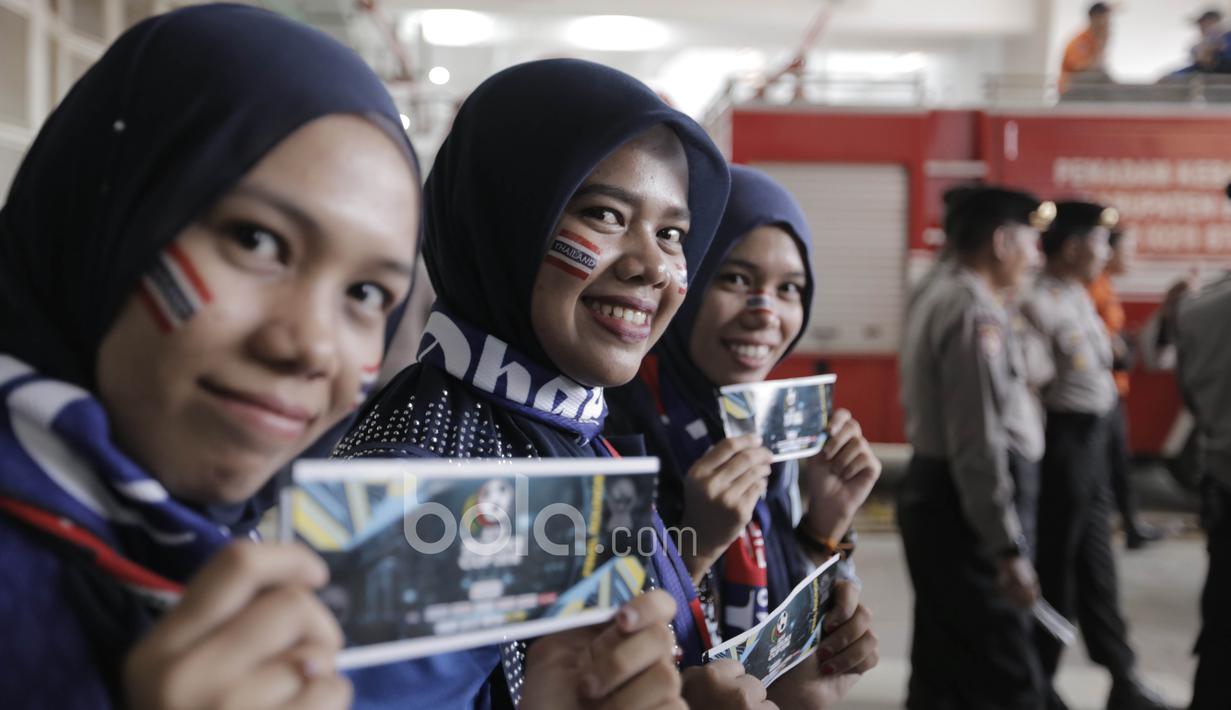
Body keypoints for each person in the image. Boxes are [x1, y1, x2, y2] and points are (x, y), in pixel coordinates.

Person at [0, 6, 424, 707]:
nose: (310, 347)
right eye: (257, 241)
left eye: (368, 292)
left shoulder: (268, 579)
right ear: (108, 211)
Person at [330, 58, 736, 709]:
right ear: (503, 220)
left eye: (670, 233)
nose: (651, 266)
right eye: (605, 214)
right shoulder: (419, 484)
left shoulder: (573, 430)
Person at [604, 165, 880, 708]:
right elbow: (588, 649)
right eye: (734, 279)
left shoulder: (770, 434)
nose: (765, 314)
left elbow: (777, 628)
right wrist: (693, 541)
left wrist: (825, 530)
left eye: (789, 290)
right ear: (685, 278)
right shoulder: (611, 428)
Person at [898, 186, 1058, 710]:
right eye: (1030, 243)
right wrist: (1006, 548)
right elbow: (979, 442)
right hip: (967, 512)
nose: (1036, 257)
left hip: (938, 495)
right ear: (1000, 242)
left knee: (942, 660)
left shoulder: (937, 288)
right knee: (1008, 669)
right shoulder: (973, 310)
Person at [1021, 202, 1173, 710]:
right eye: (1100, 243)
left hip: (1095, 444)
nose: (1107, 253)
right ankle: (1036, 681)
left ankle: (1123, 677)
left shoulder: (1079, 296)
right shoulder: (1036, 302)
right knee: (1057, 570)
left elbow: (1111, 359)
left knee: (1098, 569)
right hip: (1063, 448)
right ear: (1071, 248)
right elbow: (1031, 389)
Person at [1086, 229, 1163, 549]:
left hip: (1113, 389)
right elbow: (1097, 341)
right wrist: (1120, 348)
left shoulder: (1105, 284)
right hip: (1102, 391)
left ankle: (1130, 525)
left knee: (1118, 461)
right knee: (1107, 463)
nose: (1132, 256)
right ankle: (1114, 528)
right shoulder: (1094, 286)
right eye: (1127, 249)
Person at [1059, 3, 1113, 94]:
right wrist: (1102, 45)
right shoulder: (1080, 42)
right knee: (1103, 79)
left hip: (1087, 91)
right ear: (1094, 18)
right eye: (1105, 19)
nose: (1107, 25)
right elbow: (1082, 70)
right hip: (1072, 92)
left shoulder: (1095, 42)